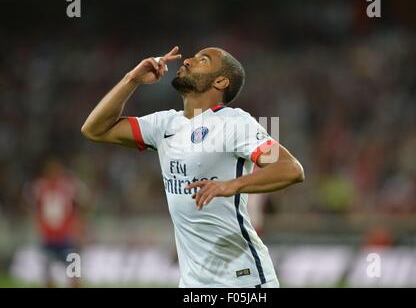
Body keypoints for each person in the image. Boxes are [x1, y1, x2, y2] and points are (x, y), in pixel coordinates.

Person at [81, 46, 305, 287]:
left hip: (242, 279)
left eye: (203, 60)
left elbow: (291, 169)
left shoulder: (234, 123)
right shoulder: (164, 124)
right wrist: (131, 79)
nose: (188, 61)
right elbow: (94, 129)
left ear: (220, 81)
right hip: (193, 283)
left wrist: (232, 185)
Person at [24, 158, 89, 287]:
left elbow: (81, 206)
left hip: (66, 237)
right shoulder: (40, 187)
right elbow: (32, 208)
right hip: (48, 237)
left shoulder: (67, 187)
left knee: (74, 273)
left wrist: (79, 228)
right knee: (48, 275)